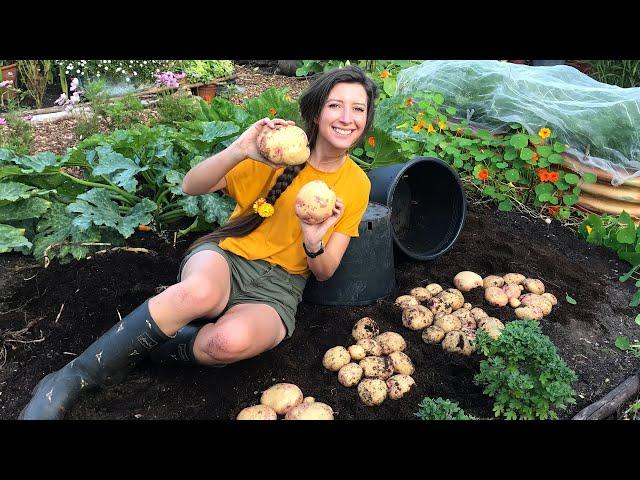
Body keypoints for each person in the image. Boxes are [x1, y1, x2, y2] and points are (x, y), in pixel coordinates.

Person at [19, 65, 378, 420]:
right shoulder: (278, 154)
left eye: (358, 109)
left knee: (225, 343)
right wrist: (238, 150)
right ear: (316, 112)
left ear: (366, 119)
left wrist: (312, 239)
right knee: (197, 294)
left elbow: (325, 270)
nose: (347, 117)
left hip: (280, 287)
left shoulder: (357, 184)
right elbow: (190, 185)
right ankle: (75, 376)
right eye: (335, 105)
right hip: (229, 255)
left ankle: (150, 344)